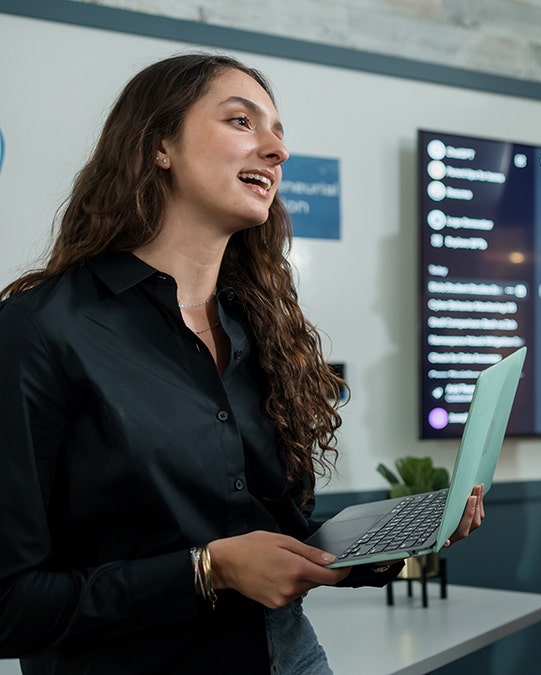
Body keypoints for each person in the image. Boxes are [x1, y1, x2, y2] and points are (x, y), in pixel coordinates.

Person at [0, 54, 483, 674]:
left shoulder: (259, 328)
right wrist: (208, 569)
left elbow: (278, 535)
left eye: (279, 134)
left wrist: (398, 538)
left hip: (290, 656)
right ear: (159, 146)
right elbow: (10, 605)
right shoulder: (40, 330)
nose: (276, 152)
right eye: (241, 122)